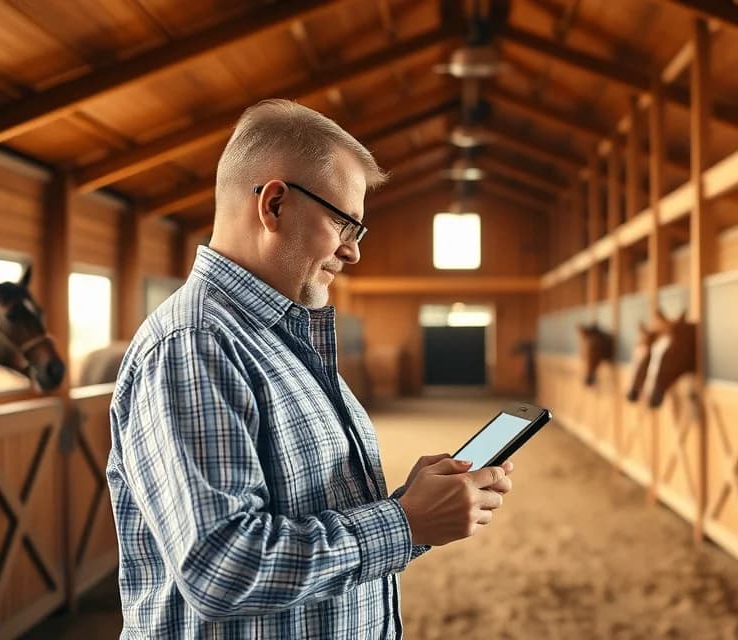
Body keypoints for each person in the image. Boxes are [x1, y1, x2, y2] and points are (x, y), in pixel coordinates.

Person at [105, 100, 514, 638]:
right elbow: (222, 569)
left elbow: (309, 520)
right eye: (345, 224)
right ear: (273, 205)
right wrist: (404, 522)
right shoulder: (196, 345)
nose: (353, 252)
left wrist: (412, 508)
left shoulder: (281, 337)